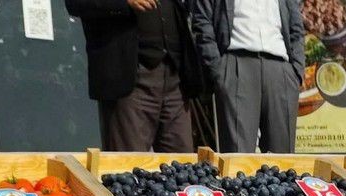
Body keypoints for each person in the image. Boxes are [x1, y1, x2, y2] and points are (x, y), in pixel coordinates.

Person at [67, 0, 204, 151]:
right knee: (129, 165)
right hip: (130, 76)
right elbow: (75, 3)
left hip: (176, 76)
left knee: (183, 166)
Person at [192, 0, 304, 153]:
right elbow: (202, 21)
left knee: (283, 158)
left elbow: (296, 25)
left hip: (281, 69)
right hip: (236, 64)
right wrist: (218, 69)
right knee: (237, 156)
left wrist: (296, 71)